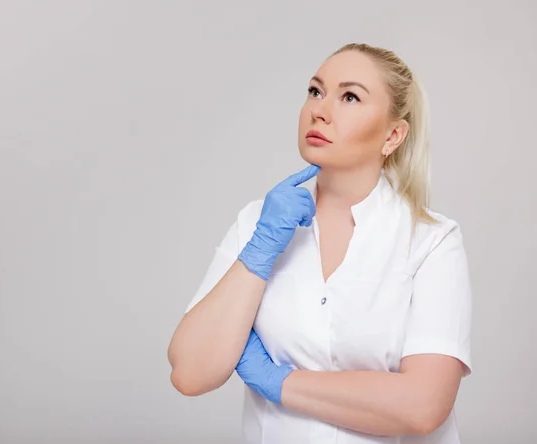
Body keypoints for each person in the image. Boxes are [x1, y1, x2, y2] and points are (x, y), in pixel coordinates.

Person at [167, 42, 472, 444]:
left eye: (349, 97)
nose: (319, 110)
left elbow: (423, 406)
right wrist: (260, 248)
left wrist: (279, 383)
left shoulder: (431, 242)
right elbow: (190, 373)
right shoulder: (257, 223)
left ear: (393, 135)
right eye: (315, 91)